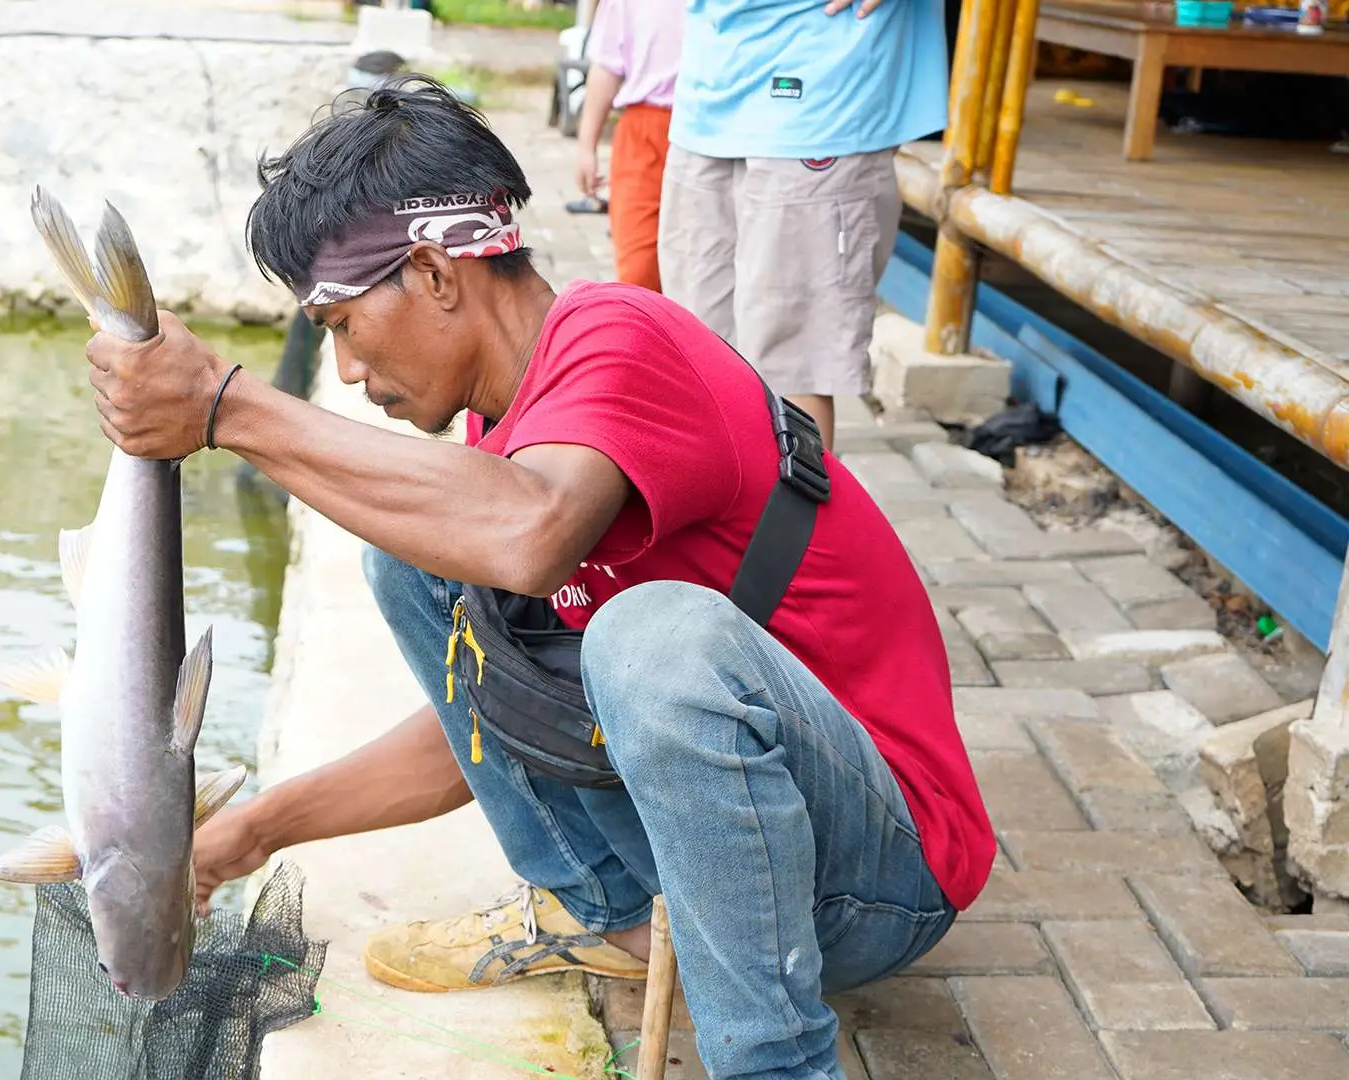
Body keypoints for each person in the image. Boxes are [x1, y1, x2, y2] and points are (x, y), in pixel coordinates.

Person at [82, 76, 994, 1080]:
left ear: (432, 273)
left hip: (879, 878)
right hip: (716, 862)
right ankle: (607, 912)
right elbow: (483, 730)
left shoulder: (622, 343)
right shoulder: (501, 433)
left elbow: (532, 535)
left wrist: (231, 411)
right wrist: (252, 831)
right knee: (414, 551)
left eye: (339, 324)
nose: (343, 369)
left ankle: (775, 1065)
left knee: (648, 637)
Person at [657, 0, 950, 448]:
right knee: (697, 355)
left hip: (820, 96)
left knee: (791, 367)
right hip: (708, 92)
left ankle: (796, 521)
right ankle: (722, 517)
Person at [572, 0, 684, 292]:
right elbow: (606, 66)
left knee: (701, 267)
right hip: (645, 127)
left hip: (713, 127)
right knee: (639, 266)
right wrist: (587, 146)